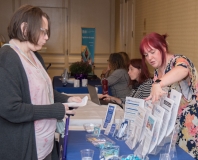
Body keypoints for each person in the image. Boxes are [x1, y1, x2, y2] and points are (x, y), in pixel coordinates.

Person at [0, 5, 82, 160]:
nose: (46, 37)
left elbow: (45, 91)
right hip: (24, 149)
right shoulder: (7, 58)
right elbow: (11, 109)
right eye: (43, 31)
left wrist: (67, 99)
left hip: (45, 146)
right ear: (25, 29)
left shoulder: (36, 56)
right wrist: (56, 110)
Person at [139, 32, 198, 159]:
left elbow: (183, 70)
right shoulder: (157, 71)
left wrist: (157, 84)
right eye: (146, 55)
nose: (149, 58)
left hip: (191, 128)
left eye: (152, 52)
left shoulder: (179, 61)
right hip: (172, 130)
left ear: (163, 47)